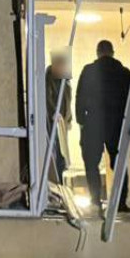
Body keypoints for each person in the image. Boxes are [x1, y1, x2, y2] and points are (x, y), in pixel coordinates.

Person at [76, 40, 130, 213]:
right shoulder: (124, 73)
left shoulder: (89, 71)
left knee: (91, 163)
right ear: (112, 52)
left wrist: (81, 120)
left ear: (98, 52)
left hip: (94, 121)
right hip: (117, 122)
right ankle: (121, 202)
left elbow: (80, 97)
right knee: (119, 163)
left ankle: (95, 200)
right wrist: (128, 122)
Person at [43, 52, 73, 183]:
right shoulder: (49, 79)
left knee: (60, 156)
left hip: (60, 123)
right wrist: (54, 112)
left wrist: (68, 119)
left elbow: (67, 102)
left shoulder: (65, 83)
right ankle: (55, 182)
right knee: (55, 154)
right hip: (52, 122)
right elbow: (48, 98)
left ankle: (59, 182)